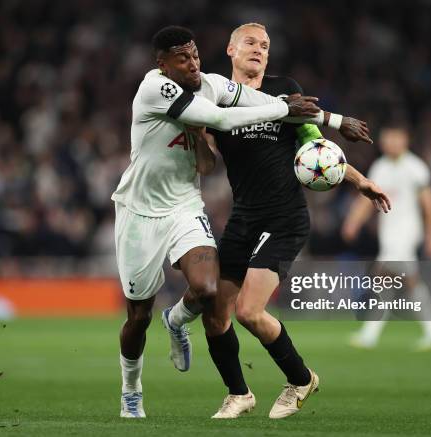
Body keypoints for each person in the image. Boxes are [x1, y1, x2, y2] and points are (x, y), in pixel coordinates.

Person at [165, 23, 391, 419]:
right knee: (216, 312)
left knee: (249, 312)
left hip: (285, 216)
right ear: (231, 49)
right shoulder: (215, 98)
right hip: (244, 217)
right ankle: (238, 394)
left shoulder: (283, 88)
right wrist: (200, 133)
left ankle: (301, 379)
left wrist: (359, 181)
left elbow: (313, 144)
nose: (259, 50)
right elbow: (205, 164)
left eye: (265, 46)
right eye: (251, 43)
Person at [113, 25, 323, 419]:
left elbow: (214, 155)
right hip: (138, 211)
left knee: (211, 293)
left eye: (195, 55)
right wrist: (281, 110)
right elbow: (224, 120)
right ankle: (131, 388)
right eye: (183, 59)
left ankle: (181, 325)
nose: (193, 64)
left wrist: (334, 119)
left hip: (184, 205)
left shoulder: (211, 85)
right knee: (137, 317)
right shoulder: (154, 89)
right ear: (162, 65)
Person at [342, 123, 431, 350]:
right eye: (387, 139)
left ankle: (370, 334)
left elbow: (429, 205)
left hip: (407, 233)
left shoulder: (415, 168)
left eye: (395, 138)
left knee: (383, 277)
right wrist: (353, 221)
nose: (390, 143)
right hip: (389, 234)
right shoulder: (380, 167)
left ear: (405, 140)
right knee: (404, 283)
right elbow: (367, 197)